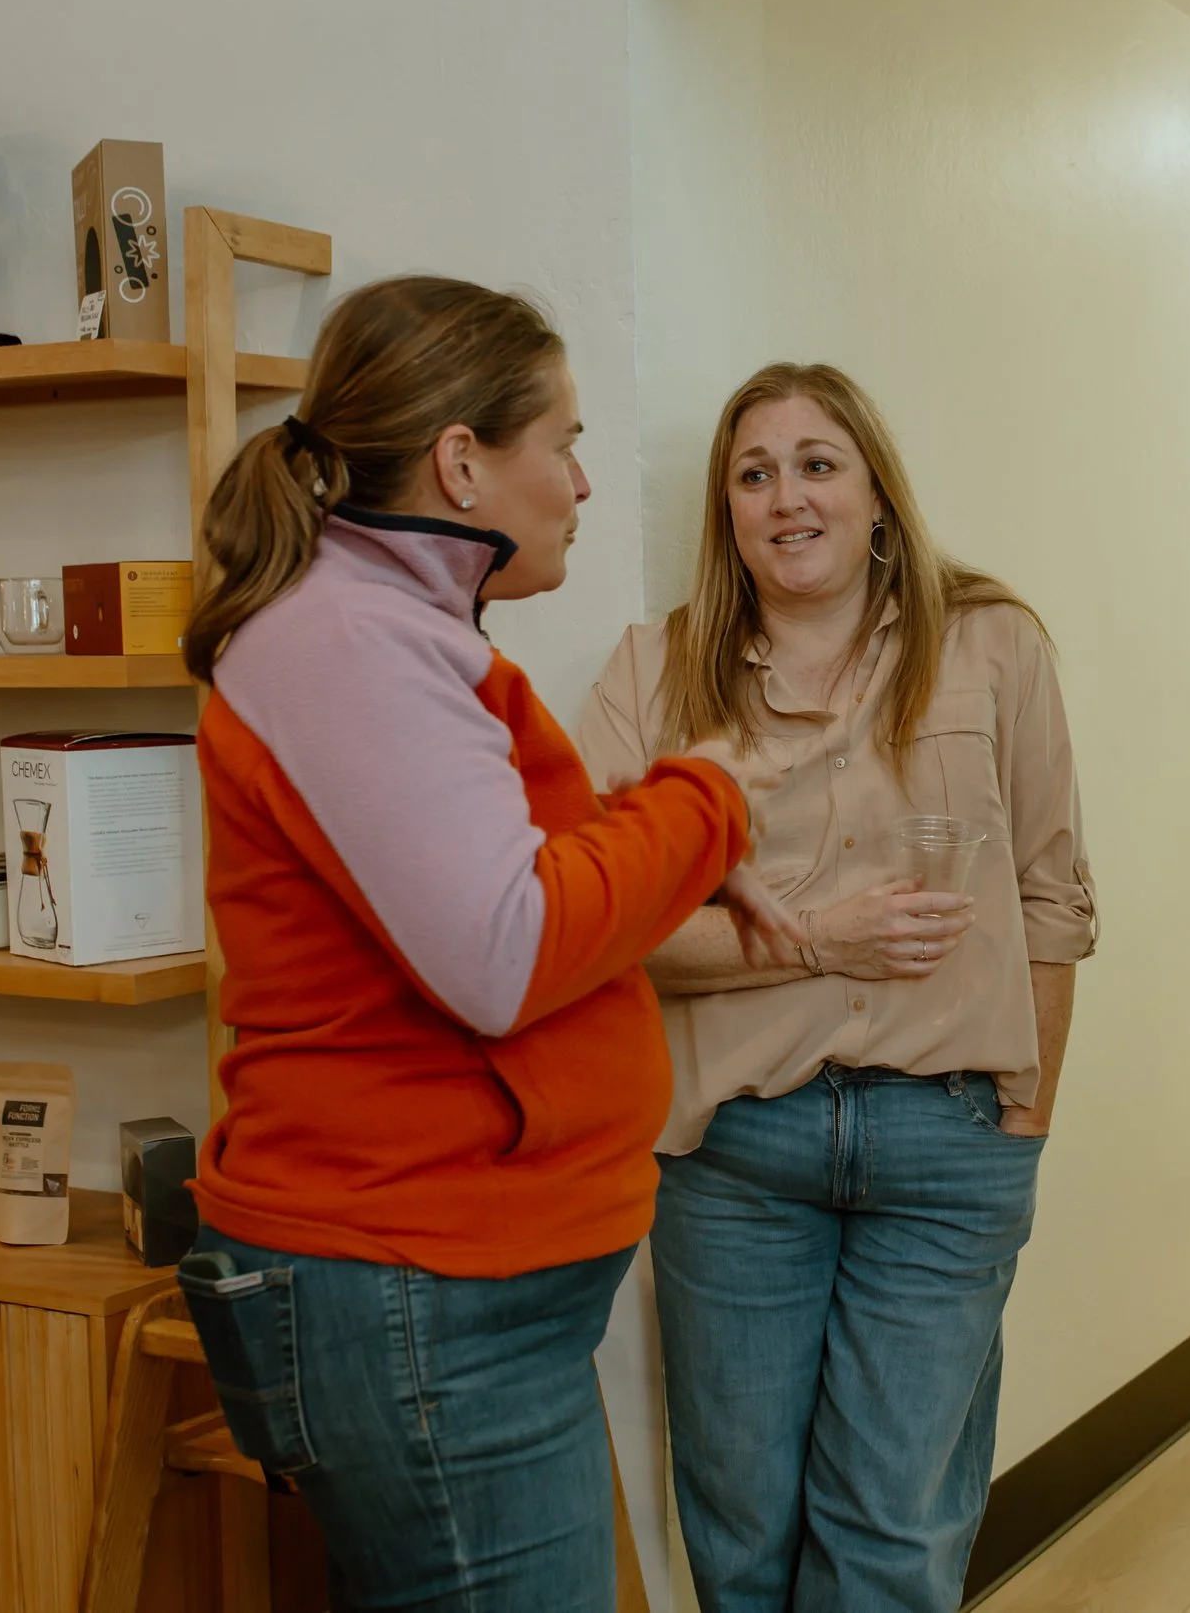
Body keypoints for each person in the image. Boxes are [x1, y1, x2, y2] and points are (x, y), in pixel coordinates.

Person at [178, 275, 793, 1612]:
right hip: (414, 1279)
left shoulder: (398, 633)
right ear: (462, 461)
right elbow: (503, 950)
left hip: (457, 1279)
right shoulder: (344, 641)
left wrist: (673, 845)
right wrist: (708, 797)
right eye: (562, 442)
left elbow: (518, 894)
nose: (580, 483)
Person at [576, 361, 1097, 1612]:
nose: (786, 497)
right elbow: (581, 917)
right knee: (742, 1526)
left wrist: (1028, 1118)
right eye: (753, 474)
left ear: (876, 493)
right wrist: (814, 937)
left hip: (950, 1138)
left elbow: (1052, 896)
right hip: (737, 1151)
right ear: (726, 510)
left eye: (817, 464)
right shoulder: (656, 671)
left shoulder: (991, 642)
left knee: (892, 1530)